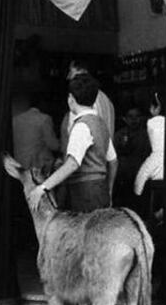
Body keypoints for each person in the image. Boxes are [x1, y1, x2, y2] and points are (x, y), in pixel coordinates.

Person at [29, 73, 118, 213]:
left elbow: (72, 164)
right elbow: (113, 161)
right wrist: (110, 189)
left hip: (85, 193)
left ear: (70, 99)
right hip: (101, 190)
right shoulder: (101, 124)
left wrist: (42, 188)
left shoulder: (81, 126)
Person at [59, 61, 116, 151]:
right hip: (104, 156)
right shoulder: (106, 100)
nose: (68, 77)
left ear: (81, 71)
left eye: (70, 72)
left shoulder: (82, 98)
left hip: (88, 158)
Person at [113, 106, 150, 211]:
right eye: (130, 117)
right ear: (124, 118)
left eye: (137, 116)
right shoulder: (119, 135)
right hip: (123, 179)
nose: (134, 120)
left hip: (141, 176)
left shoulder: (146, 134)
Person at [11, 91, 60, 171]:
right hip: (37, 166)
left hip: (18, 164)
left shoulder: (15, 119)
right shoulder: (44, 119)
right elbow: (53, 145)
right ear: (43, 103)